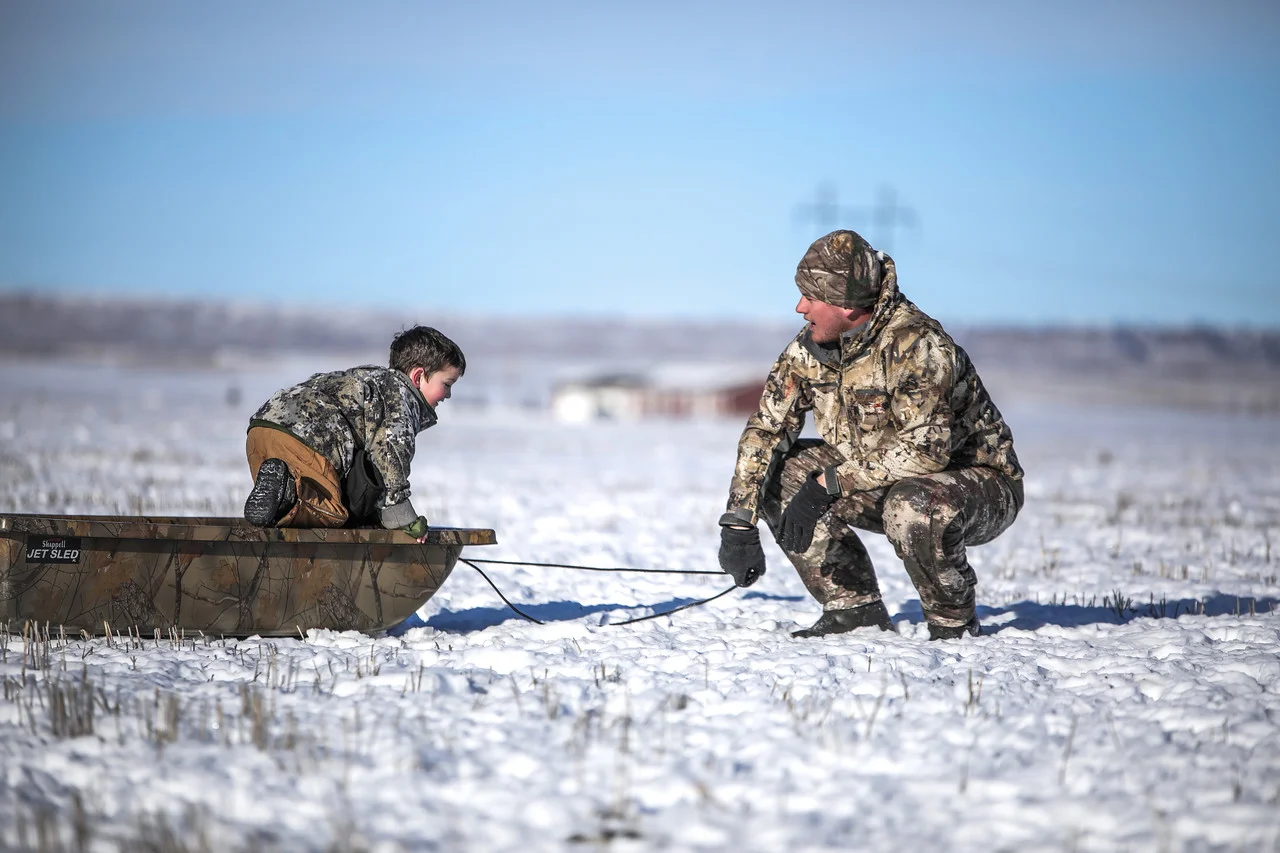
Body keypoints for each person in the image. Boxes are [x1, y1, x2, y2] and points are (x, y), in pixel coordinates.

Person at [717, 230, 1023, 640]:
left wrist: (829, 483)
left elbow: (925, 452)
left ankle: (953, 624)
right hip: (880, 479)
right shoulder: (808, 351)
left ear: (845, 304)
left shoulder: (918, 346)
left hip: (975, 486)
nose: (799, 307)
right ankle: (853, 610)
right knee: (783, 469)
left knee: (913, 503)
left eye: (811, 296)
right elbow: (766, 430)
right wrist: (739, 521)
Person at [242, 325, 465, 543]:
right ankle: (288, 493)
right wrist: (405, 520)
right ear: (418, 377)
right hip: (309, 438)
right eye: (447, 384)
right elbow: (390, 459)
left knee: (282, 502)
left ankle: (279, 490)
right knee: (331, 512)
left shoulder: (371, 379)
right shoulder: (401, 400)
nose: (448, 395)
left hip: (263, 428)